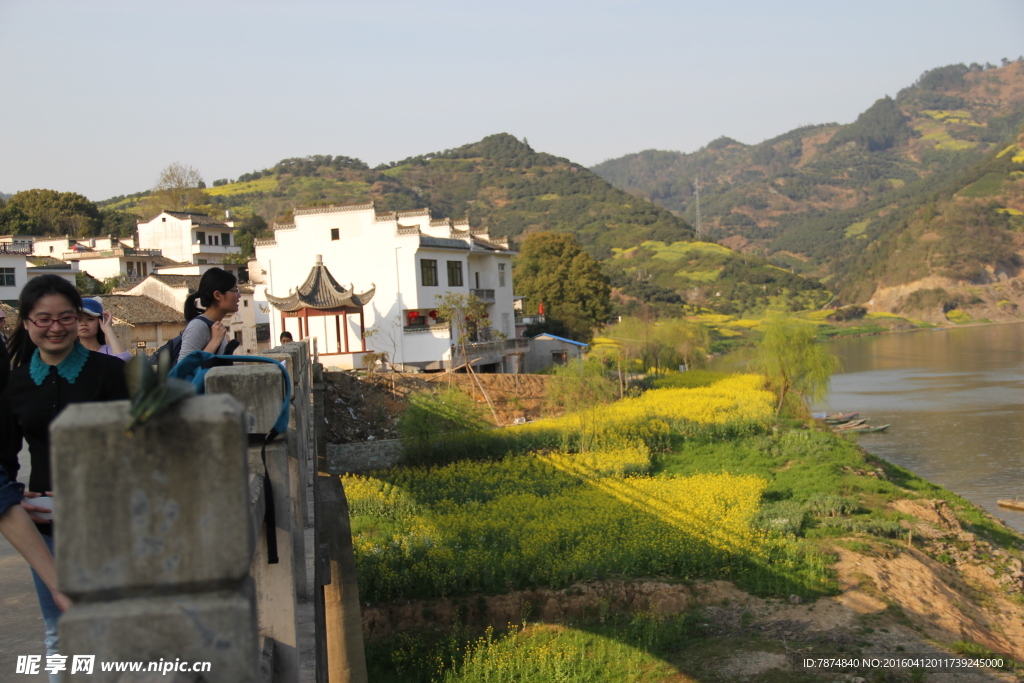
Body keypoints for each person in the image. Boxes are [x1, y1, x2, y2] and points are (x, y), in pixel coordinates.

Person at [1, 275, 129, 677]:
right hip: (47, 526)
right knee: (59, 630)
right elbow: (5, 461)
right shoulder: (15, 384)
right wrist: (20, 500)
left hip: (107, 523)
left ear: (78, 320)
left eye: (65, 317)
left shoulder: (109, 372)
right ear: (26, 323)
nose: (55, 327)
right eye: (43, 319)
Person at [178, 267, 240, 359]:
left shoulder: (216, 328)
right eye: (235, 290)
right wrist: (215, 341)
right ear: (217, 295)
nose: (239, 296)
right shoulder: (198, 326)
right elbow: (183, 370)